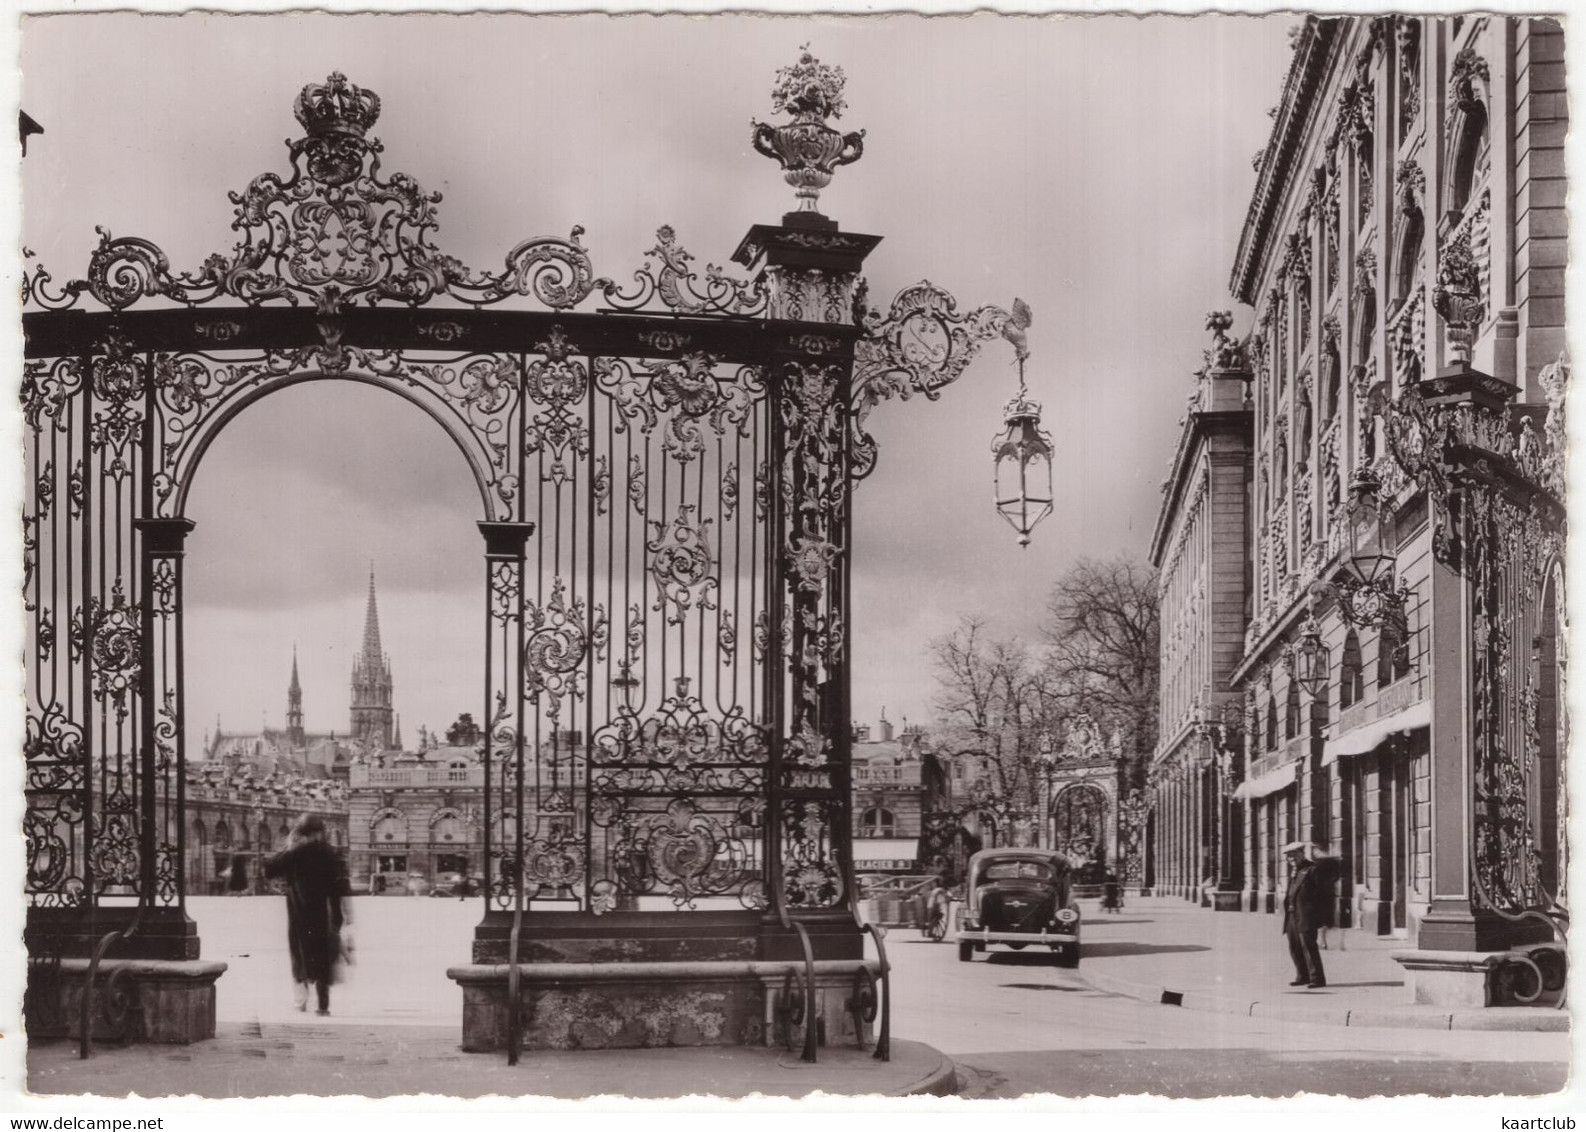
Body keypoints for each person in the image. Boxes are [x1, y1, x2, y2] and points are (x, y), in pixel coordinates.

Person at [263, 814, 349, 1016]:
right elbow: (337, 888)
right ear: (320, 832)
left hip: (299, 915)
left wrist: (289, 847)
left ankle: (301, 1000)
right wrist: (338, 916)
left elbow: (269, 869)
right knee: (322, 957)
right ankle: (323, 1005)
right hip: (322, 915)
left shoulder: (295, 854)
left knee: (300, 955)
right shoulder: (330, 853)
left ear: (301, 833)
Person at [1281, 840, 1328, 989]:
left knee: (1308, 946)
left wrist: (1319, 919)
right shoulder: (1295, 871)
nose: (1291, 860)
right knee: (1294, 946)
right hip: (1292, 915)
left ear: (1302, 854)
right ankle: (1302, 976)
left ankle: (1317, 978)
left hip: (1306, 916)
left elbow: (1322, 895)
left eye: (1294, 856)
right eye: (1289, 857)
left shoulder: (1312, 870)